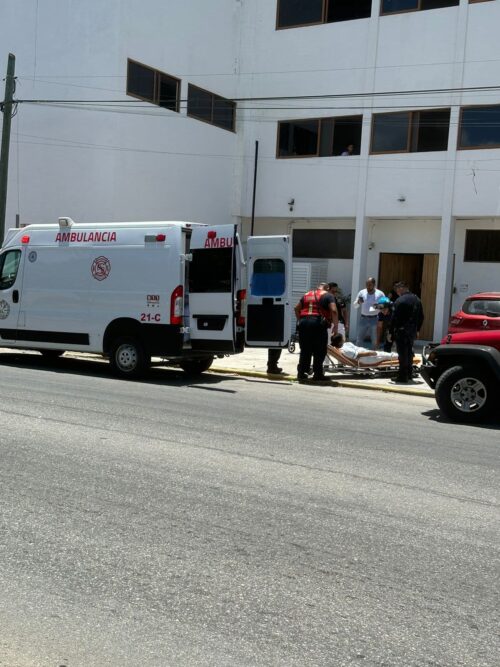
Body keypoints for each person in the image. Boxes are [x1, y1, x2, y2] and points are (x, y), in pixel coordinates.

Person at [294, 283, 338, 381]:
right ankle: (318, 374)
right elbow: (334, 310)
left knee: (305, 349)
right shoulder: (328, 295)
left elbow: (296, 308)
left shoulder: (307, 295)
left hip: (304, 323)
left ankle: (301, 373)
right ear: (327, 288)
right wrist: (336, 326)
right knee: (320, 349)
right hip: (318, 323)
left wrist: (300, 320)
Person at [390, 281, 424, 384]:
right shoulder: (417, 299)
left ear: (402, 288)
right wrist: (417, 329)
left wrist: (390, 332)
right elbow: (421, 316)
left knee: (402, 354)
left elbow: (394, 318)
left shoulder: (399, 300)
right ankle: (409, 374)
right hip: (412, 330)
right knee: (409, 352)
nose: (397, 292)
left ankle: (402, 376)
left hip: (401, 330)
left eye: (397, 289)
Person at [354, 277, 385, 349]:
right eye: (366, 284)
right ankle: (357, 355)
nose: (367, 286)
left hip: (374, 319)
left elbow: (385, 306)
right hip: (363, 318)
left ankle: (374, 355)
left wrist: (376, 307)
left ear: (374, 284)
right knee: (359, 340)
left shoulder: (380, 294)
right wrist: (358, 302)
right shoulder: (362, 292)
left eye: (370, 285)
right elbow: (355, 306)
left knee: (374, 340)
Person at [330, 333, 399, 364]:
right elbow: (357, 355)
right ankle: (403, 358)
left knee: (386, 355)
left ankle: (402, 357)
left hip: (366, 355)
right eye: (342, 338)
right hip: (366, 358)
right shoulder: (344, 350)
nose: (344, 338)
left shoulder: (343, 346)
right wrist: (370, 353)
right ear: (339, 342)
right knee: (389, 355)